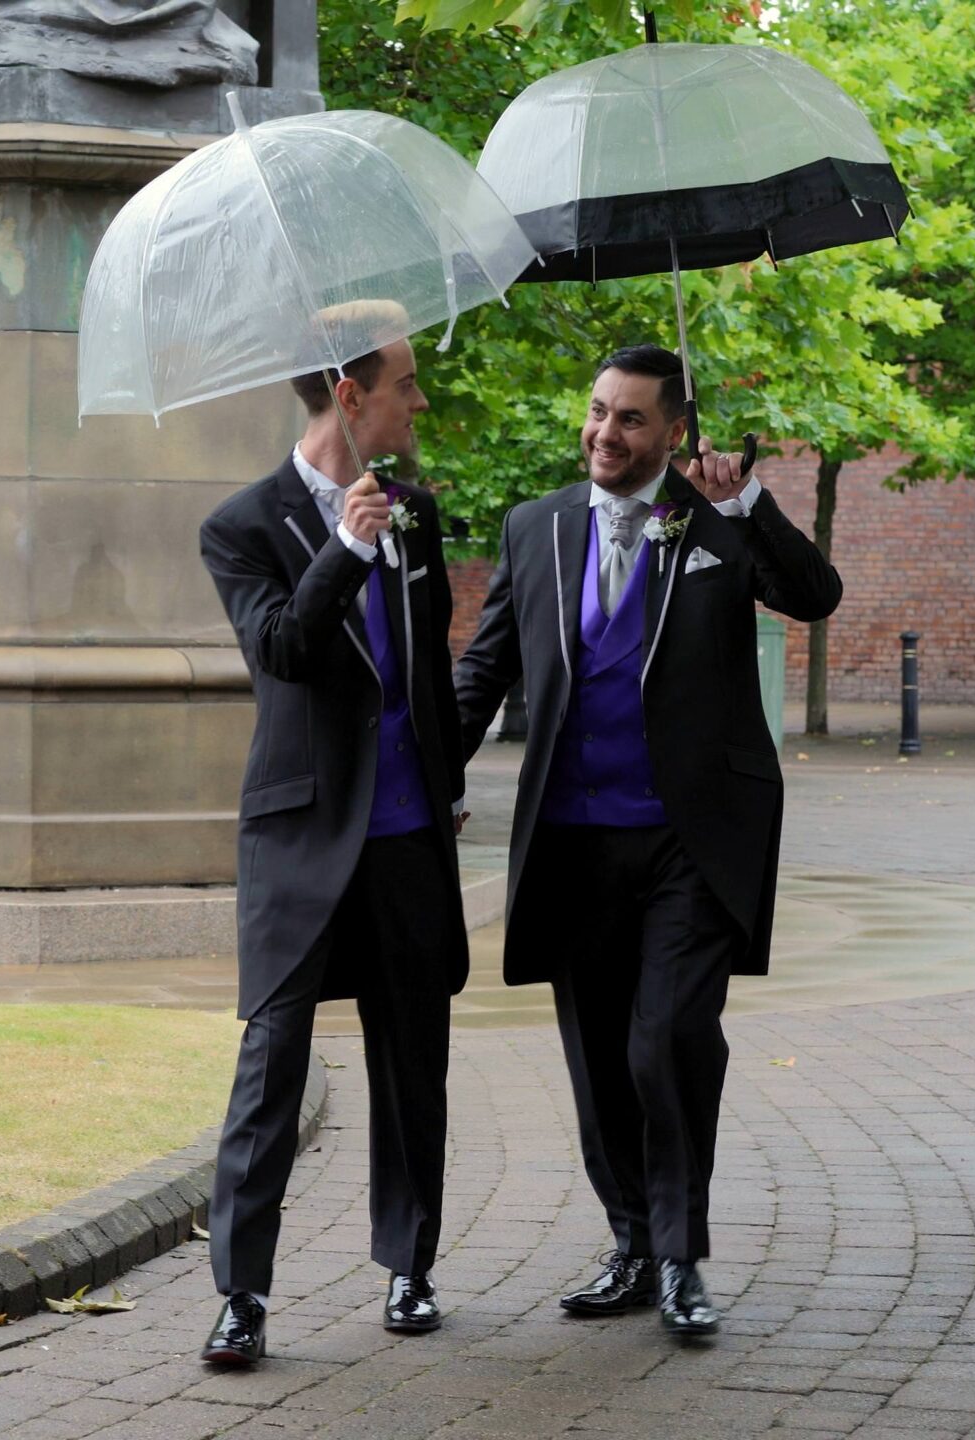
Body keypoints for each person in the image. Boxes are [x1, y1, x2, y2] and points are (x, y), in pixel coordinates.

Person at [453, 344, 840, 1337]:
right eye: (596, 412)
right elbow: (483, 671)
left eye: (630, 419)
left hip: (689, 841)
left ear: (674, 430)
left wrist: (747, 500)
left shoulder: (709, 522)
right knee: (597, 1058)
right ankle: (629, 1242)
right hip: (573, 844)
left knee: (666, 1039)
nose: (605, 434)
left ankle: (680, 1258)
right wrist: (421, 776)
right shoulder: (534, 529)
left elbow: (811, 594)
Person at [194, 301, 472, 1367]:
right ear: (349, 398)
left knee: (415, 1059)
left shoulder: (416, 508)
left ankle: (410, 1269)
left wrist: (447, 784)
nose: (418, 400)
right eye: (404, 383)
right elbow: (284, 650)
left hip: (406, 832)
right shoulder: (242, 524)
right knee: (271, 1061)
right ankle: (241, 1296)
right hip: (300, 837)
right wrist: (347, 548)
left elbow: (431, 671)